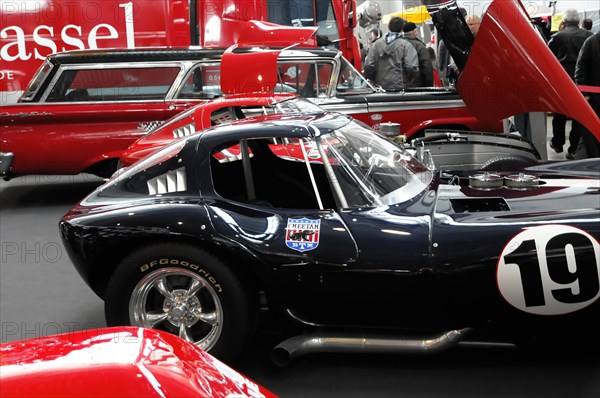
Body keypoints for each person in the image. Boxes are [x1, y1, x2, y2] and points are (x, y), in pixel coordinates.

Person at [547, 9, 593, 158]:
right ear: (578, 22)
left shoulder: (557, 37)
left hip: (562, 82)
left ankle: (558, 142)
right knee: (578, 117)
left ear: (564, 21)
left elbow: (548, 59)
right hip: (583, 84)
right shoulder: (589, 37)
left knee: (559, 113)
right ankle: (573, 148)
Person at [363, 17, 419, 91]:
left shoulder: (376, 45)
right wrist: (411, 82)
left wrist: (372, 79)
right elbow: (412, 67)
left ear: (389, 27)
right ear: (402, 29)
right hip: (400, 89)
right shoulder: (406, 46)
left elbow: (368, 65)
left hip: (379, 89)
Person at [574, 31, 600, 158]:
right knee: (591, 133)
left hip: (594, 97)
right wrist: (584, 93)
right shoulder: (592, 42)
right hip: (595, 99)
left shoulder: (591, 41)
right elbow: (581, 68)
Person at [402, 22, 434, 87]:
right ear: (414, 32)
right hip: (417, 85)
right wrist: (429, 85)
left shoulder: (399, 44)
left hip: (400, 85)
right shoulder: (419, 46)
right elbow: (427, 67)